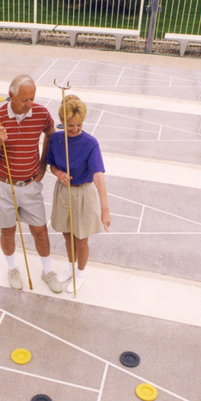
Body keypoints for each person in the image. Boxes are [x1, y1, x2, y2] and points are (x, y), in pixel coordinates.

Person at [0, 74, 63, 293]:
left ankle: (47, 272)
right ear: (10, 96)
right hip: (2, 185)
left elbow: (50, 134)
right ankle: (13, 268)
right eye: (25, 100)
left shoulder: (41, 113)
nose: (29, 105)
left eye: (32, 99)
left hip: (30, 185)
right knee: (8, 231)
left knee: (40, 232)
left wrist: (43, 163)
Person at [47, 95, 111, 293]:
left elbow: (98, 176)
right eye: (70, 125)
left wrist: (105, 209)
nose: (75, 129)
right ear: (62, 122)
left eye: (79, 124)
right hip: (63, 191)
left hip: (84, 192)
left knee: (81, 239)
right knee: (68, 235)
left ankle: (80, 273)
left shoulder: (90, 143)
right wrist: (59, 174)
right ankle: (70, 268)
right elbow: (52, 166)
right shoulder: (56, 139)